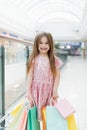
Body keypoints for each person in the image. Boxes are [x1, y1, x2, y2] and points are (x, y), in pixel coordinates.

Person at [26, 32, 63, 122]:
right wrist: (28, 92)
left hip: (48, 91)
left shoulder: (54, 59)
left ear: (50, 44)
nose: (43, 45)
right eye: (41, 43)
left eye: (46, 43)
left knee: (48, 115)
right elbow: (30, 75)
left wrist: (55, 90)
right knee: (35, 115)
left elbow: (57, 76)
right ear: (36, 44)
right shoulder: (34, 58)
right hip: (36, 90)